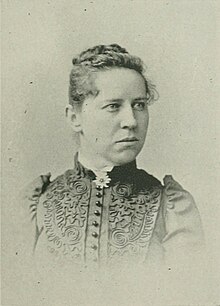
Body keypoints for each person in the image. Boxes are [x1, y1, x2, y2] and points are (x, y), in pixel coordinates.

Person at [23, 44, 204, 270]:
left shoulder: (173, 208)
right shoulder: (38, 203)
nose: (131, 120)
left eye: (139, 105)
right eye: (113, 106)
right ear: (74, 118)